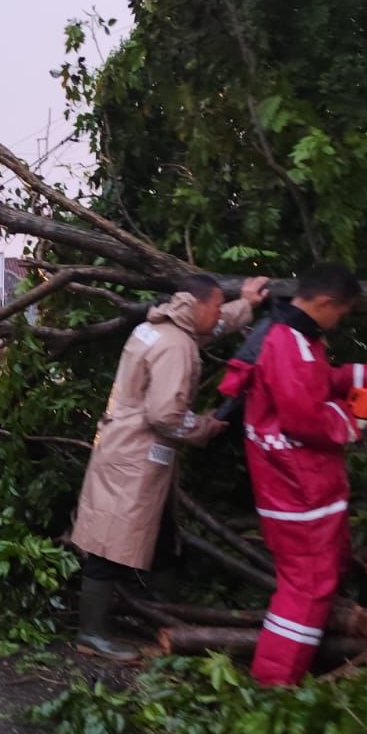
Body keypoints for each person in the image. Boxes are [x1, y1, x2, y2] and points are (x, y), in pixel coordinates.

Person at [217, 263, 367, 687]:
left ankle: (285, 676)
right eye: (341, 313)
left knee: (315, 581)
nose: (340, 322)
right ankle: (274, 685)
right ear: (324, 303)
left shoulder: (299, 339)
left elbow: (320, 382)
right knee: (307, 590)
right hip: (297, 492)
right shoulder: (290, 344)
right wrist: (361, 423)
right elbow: (306, 417)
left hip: (301, 489)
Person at [70, 274, 268, 661]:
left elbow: (213, 325)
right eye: (215, 306)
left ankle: (165, 617)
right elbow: (165, 415)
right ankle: (91, 633)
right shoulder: (176, 345)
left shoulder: (158, 325)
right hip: (135, 456)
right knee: (108, 543)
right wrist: (205, 426)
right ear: (195, 305)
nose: (216, 315)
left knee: (159, 532)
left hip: (125, 448)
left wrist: (245, 302)